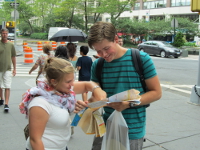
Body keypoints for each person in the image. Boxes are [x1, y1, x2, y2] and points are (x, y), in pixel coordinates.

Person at [76, 21, 162, 150]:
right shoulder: (98, 65)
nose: (103, 55)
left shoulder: (141, 59)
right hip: (105, 127)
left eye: (106, 48)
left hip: (132, 130)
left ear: (116, 39)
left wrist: (128, 104)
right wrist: (87, 104)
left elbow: (156, 93)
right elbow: (97, 98)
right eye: (98, 51)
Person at [19, 57, 106, 150]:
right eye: (69, 81)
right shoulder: (40, 103)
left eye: (73, 79)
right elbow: (35, 140)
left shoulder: (61, 91)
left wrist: (97, 90)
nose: (72, 84)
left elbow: (87, 85)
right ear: (54, 81)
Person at [0, 28, 16, 112]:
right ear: (1, 34)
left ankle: (6, 104)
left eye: (6, 33)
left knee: (7, 86)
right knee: (0, 86)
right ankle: (1, 98)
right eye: (3, 33)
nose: (4, 35)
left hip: (8, 69)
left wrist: (15, 69)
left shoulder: (11, 45)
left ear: (8, 34)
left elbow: (13, 57)